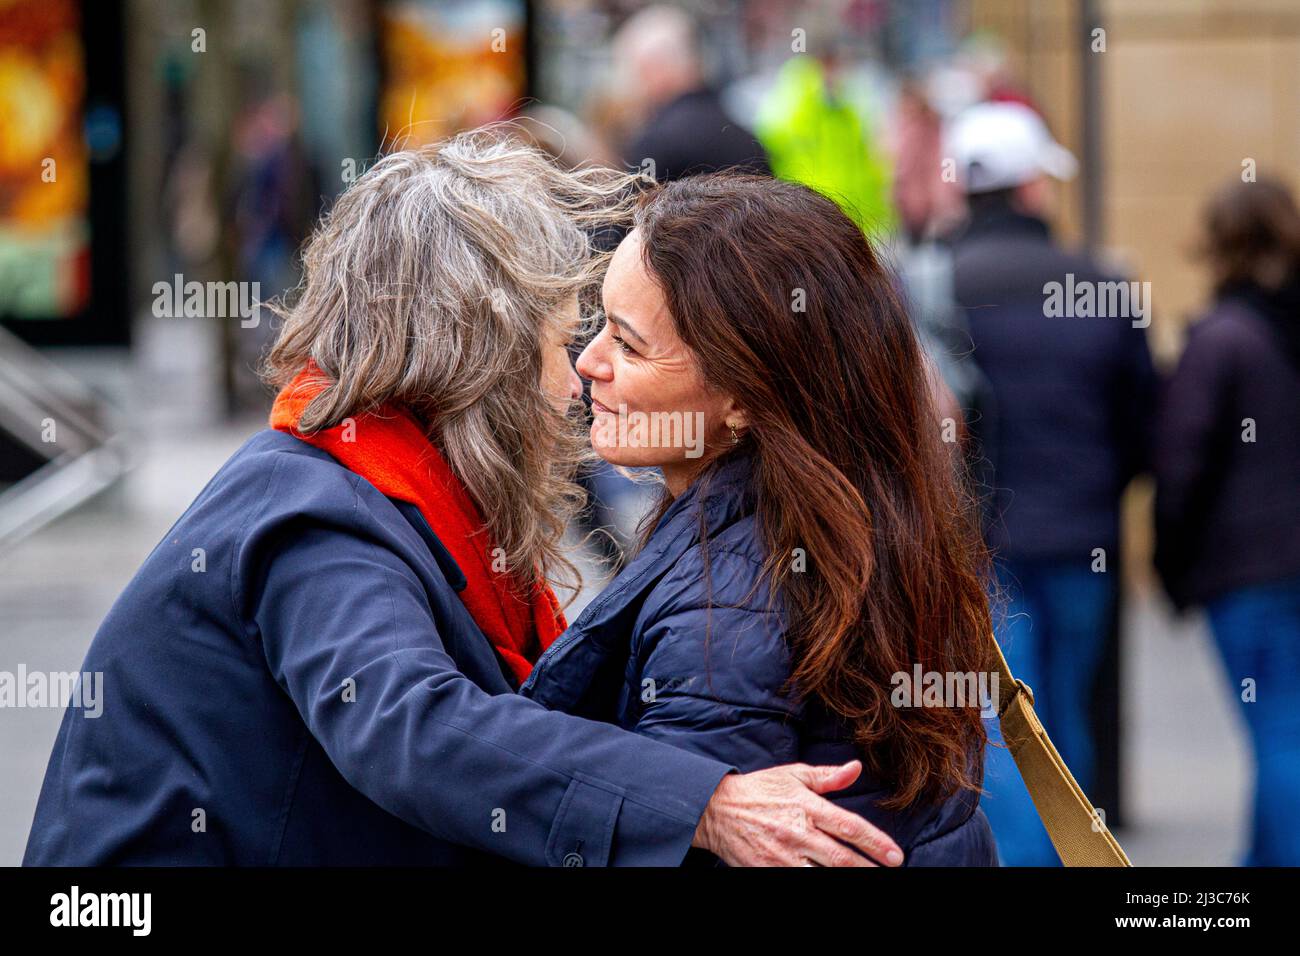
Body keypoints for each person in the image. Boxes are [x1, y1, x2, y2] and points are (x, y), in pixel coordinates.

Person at [22, 131, 902, 868]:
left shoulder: (367, 483)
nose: (578, 377)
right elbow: (413, 726)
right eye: (564, 342)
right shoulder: (315, 514)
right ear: (479, 363)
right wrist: (699, 804)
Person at [522, 173, 999, 866]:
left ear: (744, 395)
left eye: (629, 345)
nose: (589, 362)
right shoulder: (853, 521)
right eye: (600, 328)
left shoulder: (725, 609)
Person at [946, 101, 1157, 865]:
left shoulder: (936, 283)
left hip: (978, 544)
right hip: (1082, 537)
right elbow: (1144, 421)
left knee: (1001, 723)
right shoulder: (1100, 284)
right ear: (1032, 187)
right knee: (1064, 717)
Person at [1155, 175, 1300, 866]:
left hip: (1249, 569)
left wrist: (1169, 564)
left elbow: (1180, 463)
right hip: (1272, 566)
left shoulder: (1223, 340)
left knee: (1279, 735)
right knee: (1284, 729)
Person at [614, 6, 769, 183]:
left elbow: (636, 203)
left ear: (653, 68)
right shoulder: (745, 135)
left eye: (634, 70)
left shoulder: (658, 142)